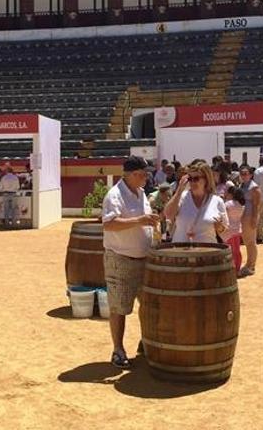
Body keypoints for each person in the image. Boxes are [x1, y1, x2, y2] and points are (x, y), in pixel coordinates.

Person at [101, 156, 159, 368]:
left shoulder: (141, 193)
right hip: (121, 258)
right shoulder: (114, 195)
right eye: (144, 174)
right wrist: (140, 221)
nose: (147, 177)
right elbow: (109, 224)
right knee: (119, 307)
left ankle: (146, 343)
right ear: (133, 174)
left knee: (147, 304)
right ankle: (118, 349)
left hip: (144, 258)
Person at [164, 161, 228, 244]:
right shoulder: (181, 197)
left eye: (196, 178)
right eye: (190, 179)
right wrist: (179, 191)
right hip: (181, 252)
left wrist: (220, 228)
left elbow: (225, 231)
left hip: (207, 252)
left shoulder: (217, 201)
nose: (192, 182)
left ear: (206, 179)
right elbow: (168, 215)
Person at [237, 165, 262, 277]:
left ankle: (251, 265)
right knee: (247, 241)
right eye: (242, 173)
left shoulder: (254, 187)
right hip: (242, 216)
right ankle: (248, 264)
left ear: (251, 175)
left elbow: (256, 205)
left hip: (249, 216)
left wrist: (254, 218)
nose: (243, 175)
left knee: (250, 242)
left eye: (245, 173)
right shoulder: (242, 185)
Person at [222, 186, 245, 273]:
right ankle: (237, 268)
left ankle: (230, 269)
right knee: (237, 251)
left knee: (229, 251)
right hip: (237, 230)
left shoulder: (228, 204)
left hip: (228, 231)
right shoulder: (241, 205)